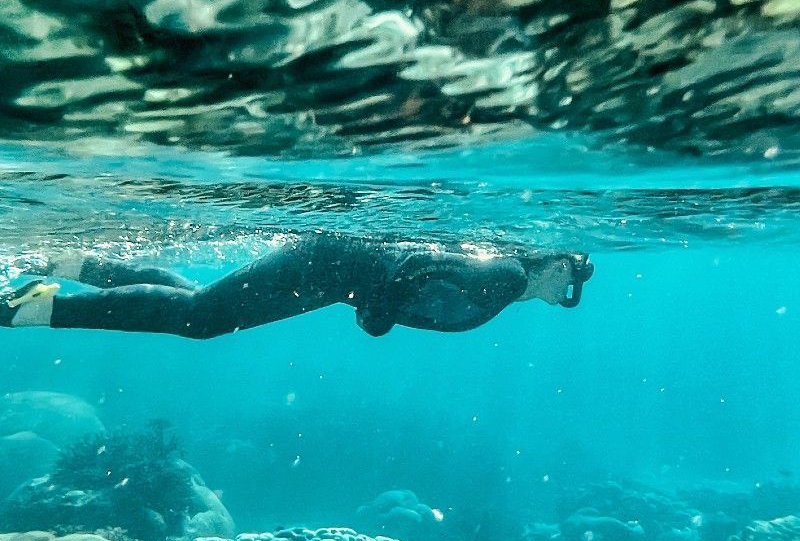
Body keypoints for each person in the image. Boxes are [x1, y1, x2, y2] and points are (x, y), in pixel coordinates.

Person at [0, 232, 594, 338]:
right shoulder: (509, 277)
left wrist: (378, 308)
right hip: (334, 267)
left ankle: (69, 266)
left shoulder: (504, 284)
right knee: (201, 318)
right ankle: (33, 308)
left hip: (336, 269)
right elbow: (417, 274)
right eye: (571, 277)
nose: (566, 292)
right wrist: (379, 312)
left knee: (197, 304)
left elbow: (416, 279)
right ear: (555, 265)